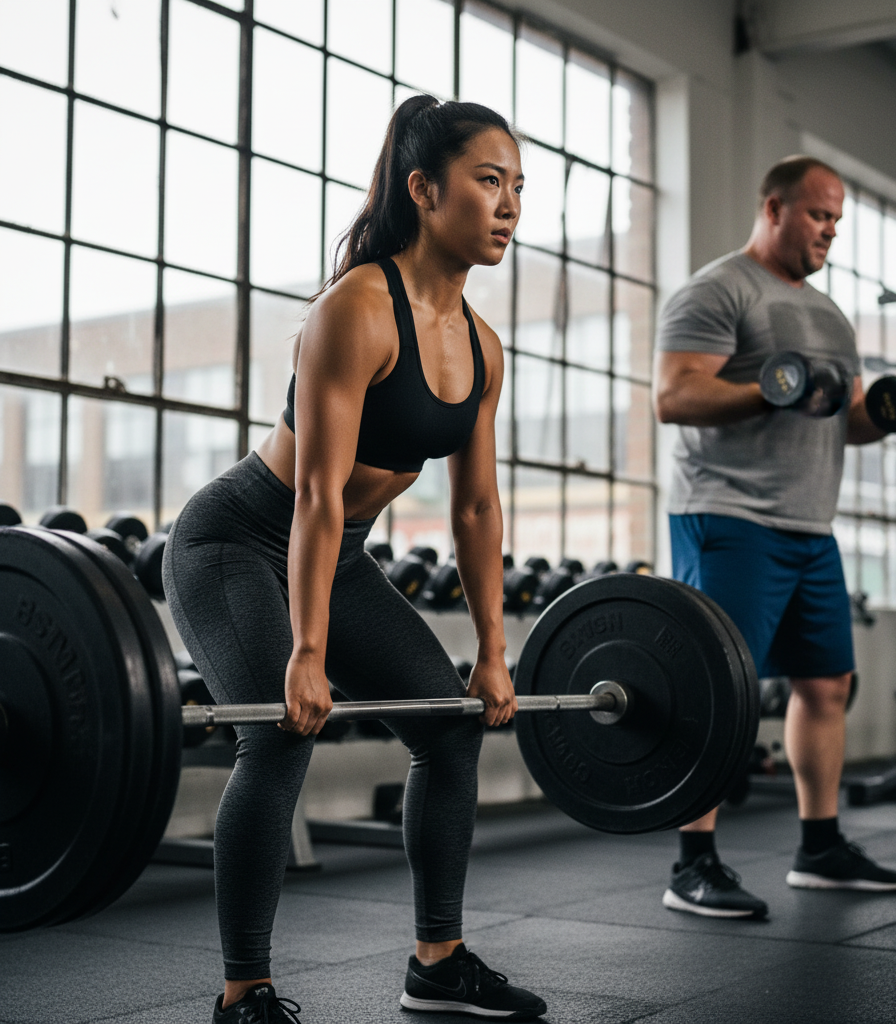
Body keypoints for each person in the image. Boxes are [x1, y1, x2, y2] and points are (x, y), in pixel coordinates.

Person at [163, 95, 547, 1022]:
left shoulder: (484, 348)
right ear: (424, 189)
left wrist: (494, 651)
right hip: (236, 541)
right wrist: (305, 652)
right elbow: (316, 496)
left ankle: (437, 962)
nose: (508, 207)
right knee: (281, 734)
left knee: (451, 728)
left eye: (519, 188)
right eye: (488, 182)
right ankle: (243, 992)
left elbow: (477, 507)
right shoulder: (357, 309)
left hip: (338, 558)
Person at [653, 155, 896, 919]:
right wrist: (768, 391)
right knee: (725, 687)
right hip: (729, 513)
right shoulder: (718, 289)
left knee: (826, 686)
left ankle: (819, 847)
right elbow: (676, 395)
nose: (831, 232)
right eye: (820, 216)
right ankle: (694, 862)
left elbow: (846, 421)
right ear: (774, 207)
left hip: (810, 524)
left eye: (838, 221)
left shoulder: (830, 316)